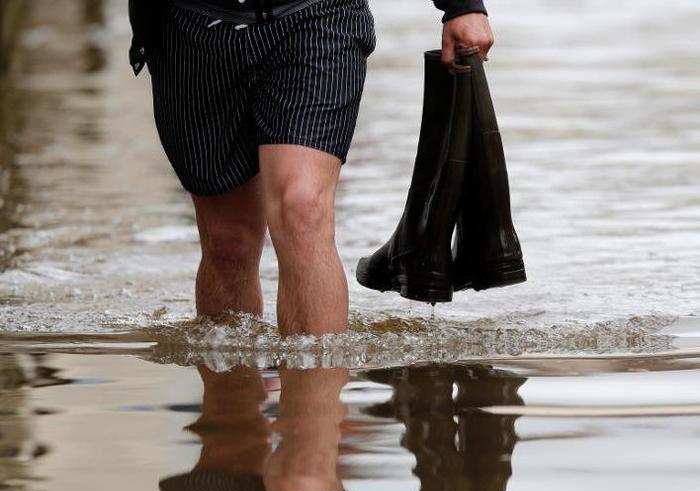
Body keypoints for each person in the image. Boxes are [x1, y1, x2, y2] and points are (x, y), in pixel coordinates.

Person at [130, 0, 494, 336]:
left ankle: (315, 394)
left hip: (319, 13)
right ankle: (231, 400)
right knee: (229, 241)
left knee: (302, 208)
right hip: (192, 25)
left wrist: (462, 4)